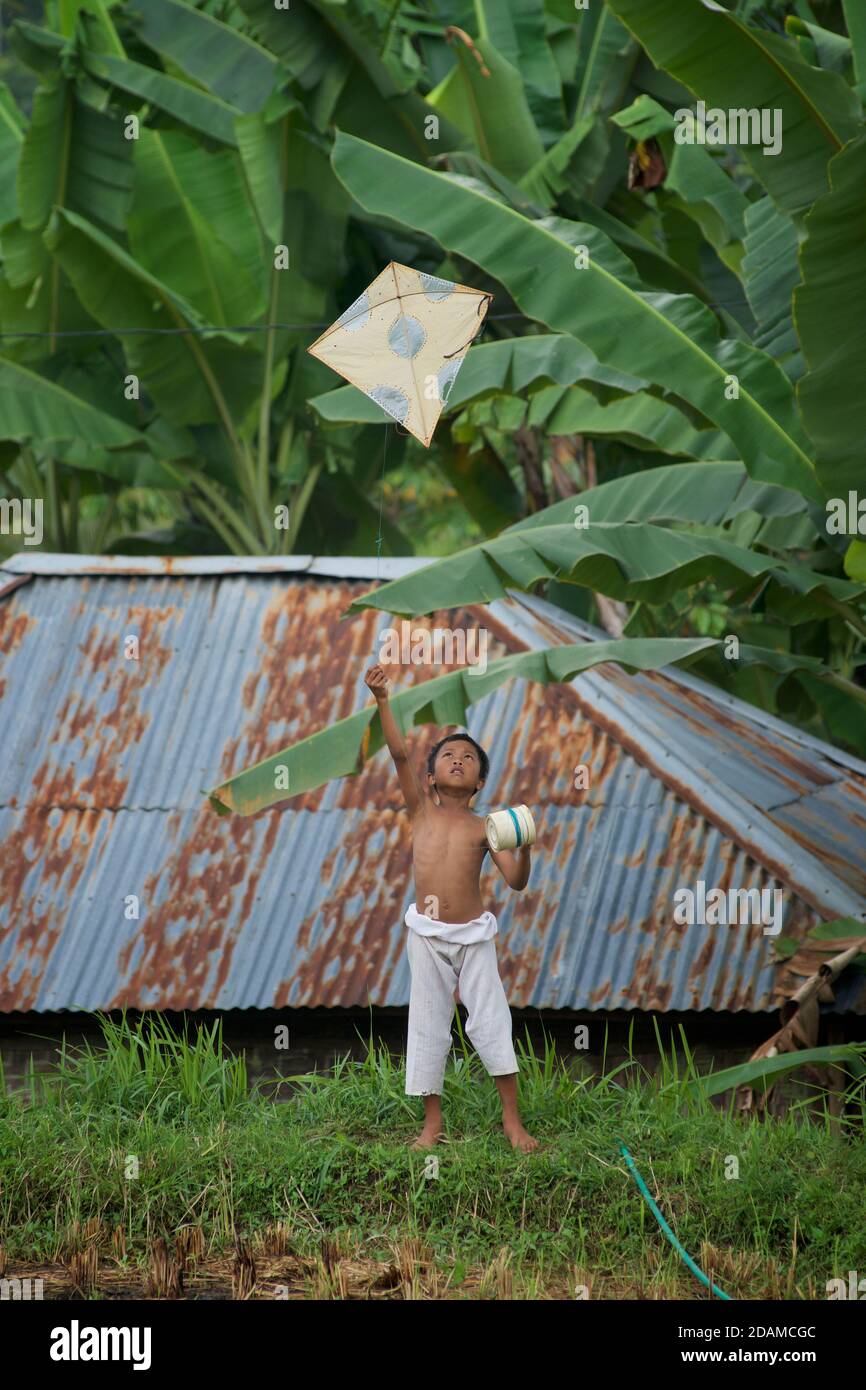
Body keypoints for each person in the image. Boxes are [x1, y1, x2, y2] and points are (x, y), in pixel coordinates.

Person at [364, 665, 540, 1152]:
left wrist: (523, 843)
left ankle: (512, 1121)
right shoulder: (420, 811)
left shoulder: (487, 827)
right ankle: (432, 1125)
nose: (459, 761)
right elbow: (398, 751)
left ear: (481, 781)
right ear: (431, 777)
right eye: (448, 756)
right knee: (428, 1022)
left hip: (473, 937)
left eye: (468, 758)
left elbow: (517, 882)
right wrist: (382, 698)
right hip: (426, 933)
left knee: (490, 1019)